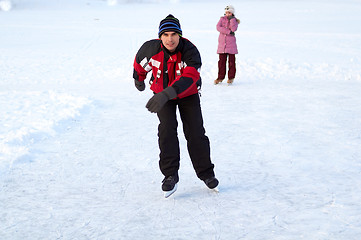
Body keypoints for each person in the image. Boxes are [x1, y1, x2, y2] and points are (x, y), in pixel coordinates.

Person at [133, 14, 219, 197]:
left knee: (195, 132)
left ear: (180, 35)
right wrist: (138, 79)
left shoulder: (190, 51)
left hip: (187, 94)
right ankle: (170, 175)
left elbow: (190, 76)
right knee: (167, 131)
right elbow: (139, 64)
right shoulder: (150, 49)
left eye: (174, 34)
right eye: (165, 35)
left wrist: (167, 93)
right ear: (160, 36)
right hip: (162, 96)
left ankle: (207, 174)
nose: (170, 39)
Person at [215, 5, 240, 85]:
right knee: (221, 62)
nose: (227, 14)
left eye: (229, 13)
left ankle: (231, 77)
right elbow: (218, 27)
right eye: (226, 13)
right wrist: (228, 32)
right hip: (222, 45)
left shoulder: (234, 20)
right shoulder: (222, 19)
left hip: (231, 44)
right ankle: (220, 77)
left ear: (232, 13)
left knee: (232, 62)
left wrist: (232, 20)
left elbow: (234, 29)